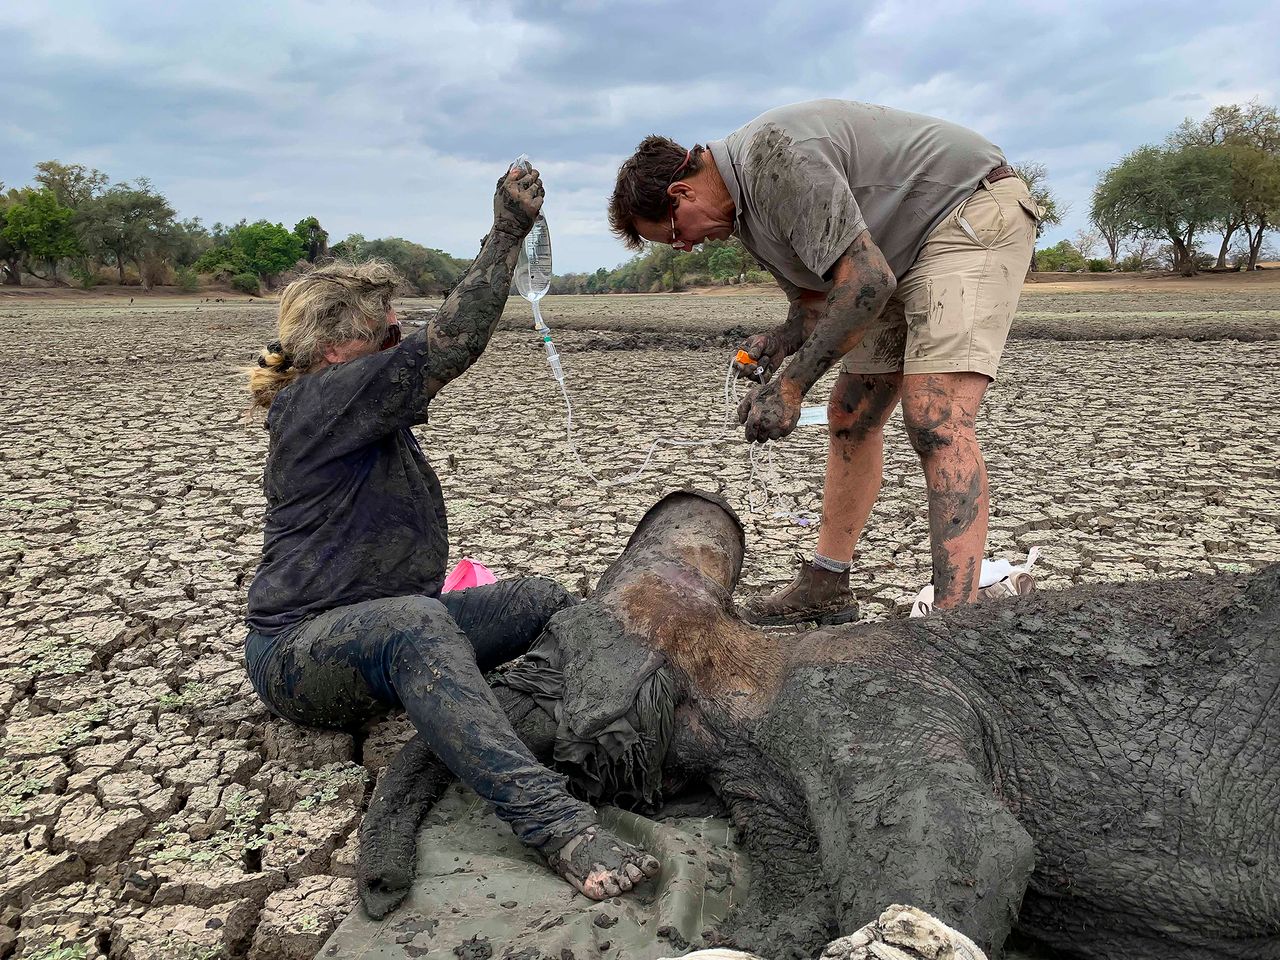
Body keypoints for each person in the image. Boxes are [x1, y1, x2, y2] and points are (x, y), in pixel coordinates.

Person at [242, 165, 661, 900]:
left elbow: (438, 344)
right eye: (388, 336)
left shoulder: (351, 395)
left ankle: (596, 728)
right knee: (416, 626)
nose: (402, 345)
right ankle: (552, 822)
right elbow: (454, 341)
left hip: (390, 632)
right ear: (339, 350)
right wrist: (506, 235)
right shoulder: (318, 402)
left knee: (536, 599)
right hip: (302, 657)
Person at [608, 100, 1040, 624]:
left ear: (682, 193)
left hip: (967, 215)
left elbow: (866, 283)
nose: (685, 247)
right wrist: (780, 341)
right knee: (851, 414)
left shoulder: (775, 160)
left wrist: (789, 389)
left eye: (675, 233)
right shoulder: (747, 220)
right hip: (894, 255)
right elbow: (817, 308)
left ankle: (956, 620)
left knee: (935, 415)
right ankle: (826, 585)